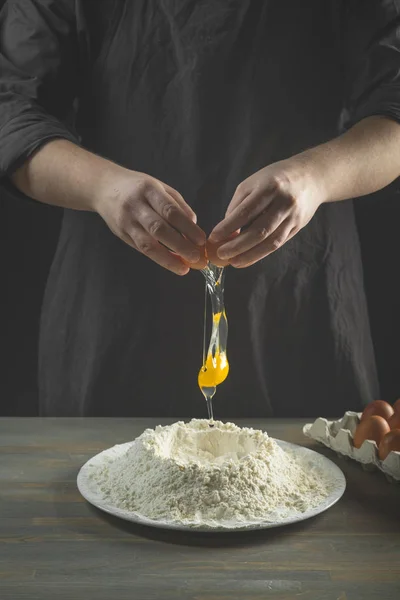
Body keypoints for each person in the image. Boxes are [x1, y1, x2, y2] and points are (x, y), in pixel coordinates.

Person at [1, 0, 400, 418]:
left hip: (302, 301)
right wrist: (103, 187)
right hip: (112, 309)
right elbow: (9, 108)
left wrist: (315, 176)